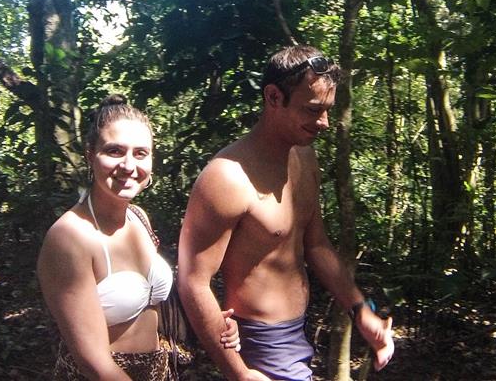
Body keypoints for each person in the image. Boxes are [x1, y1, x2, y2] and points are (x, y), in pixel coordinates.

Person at [177, 45, 394, 381]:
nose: (323, 123)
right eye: (312, 110)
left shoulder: (304, 158)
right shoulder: (226, 178)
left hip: (297, 334)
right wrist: (240, 373)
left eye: (327, 110)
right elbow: (193, 282)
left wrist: (360, 309)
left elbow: (316, 244)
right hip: (261, 344)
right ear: (274, 97)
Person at [38, 94, 241, 381]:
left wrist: (214, 323)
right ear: (90, 154)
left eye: (140, 153)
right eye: (115, 151)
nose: (129, 165)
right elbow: (94, 364)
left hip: (158, 369)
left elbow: (155, 308)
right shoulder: (69, 239)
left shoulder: (138, 217)